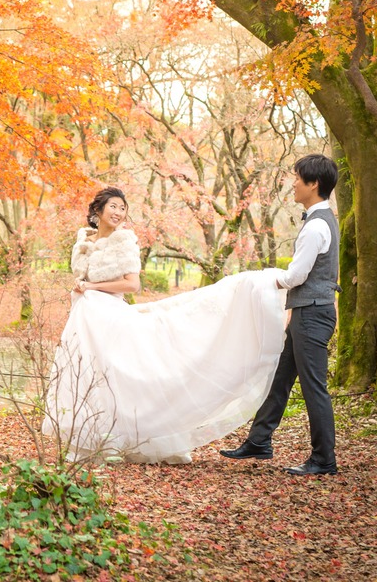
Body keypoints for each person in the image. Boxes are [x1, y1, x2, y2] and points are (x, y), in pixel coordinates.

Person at [42, 187, 289, 464]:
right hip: (86, 318)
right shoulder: (83, 243)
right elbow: (82, 278)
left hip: (110, 315)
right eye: (113, 206)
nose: (118, 212)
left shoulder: (124, 242)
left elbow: (131, 283)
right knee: (90, 374)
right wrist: (80, 286)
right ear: (97, 210)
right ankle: (96, 438)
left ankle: (139, 434)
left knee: (123, 374)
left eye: (122, 208)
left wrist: (92, 286)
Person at [220, 154, 340, 475]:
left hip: (313, 315)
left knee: (314, 387)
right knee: (280, 377)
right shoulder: (320, 219)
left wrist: (268, 280)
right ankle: (259, 441)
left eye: (299, 178)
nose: (294, 183)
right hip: (306, 312)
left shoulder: (316, 226)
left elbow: (297, 275)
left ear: (314, 184)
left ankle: (323, 459)